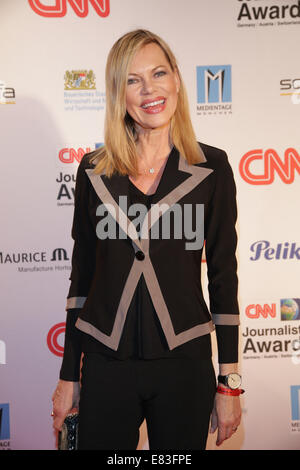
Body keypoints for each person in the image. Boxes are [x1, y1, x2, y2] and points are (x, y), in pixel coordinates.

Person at [52, 29, 242, 450]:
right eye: (133, 80)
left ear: (176, 79)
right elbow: (81, 280)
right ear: (119, 93)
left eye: (159, 73)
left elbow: (224, 279)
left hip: (185, 366)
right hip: (106, 365)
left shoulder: (212, 167)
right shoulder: (94, 171)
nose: (149, 90)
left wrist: (229, 382)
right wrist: (68, 376)